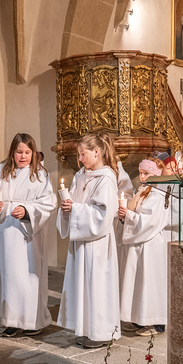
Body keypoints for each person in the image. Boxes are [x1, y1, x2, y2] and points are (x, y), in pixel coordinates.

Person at [0, 134, 56, 337]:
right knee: (8, 276)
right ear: (12, 152)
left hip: (27, 233)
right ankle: (11, 320)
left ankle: (32, 321)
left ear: (33, 152)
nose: (23, 156)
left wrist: (27, 210)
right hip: (4, 230)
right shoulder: (0, 171)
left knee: (27, 276)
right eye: (19, 152)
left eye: (27, 152)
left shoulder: (40, 174)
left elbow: (48, 202)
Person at [57, 133, 120, 349]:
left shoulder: (106, 178)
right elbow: (74, 202)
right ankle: (86, 329)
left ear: (97, 152)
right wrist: (67, 207)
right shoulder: (80, 176)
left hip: (97, 243)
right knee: (82, 285)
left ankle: (101, 333)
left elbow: (104, 213)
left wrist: (75, 209)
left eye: (83, 154)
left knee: (97, 286)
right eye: (78, 154)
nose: (80, 159)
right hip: (80, 241)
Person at [118, 158, 170, 336]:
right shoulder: (143, 191)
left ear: (156, 174)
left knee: (150, 283)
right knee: (138, 282)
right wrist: (124, 216)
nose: (142, 176)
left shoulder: (158, 194)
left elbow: (148, 221)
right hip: (139, 243)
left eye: (146, 173)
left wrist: (128, 215)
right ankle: (139, 319)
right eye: (140, 173)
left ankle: (156, 322)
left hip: (150, 244)